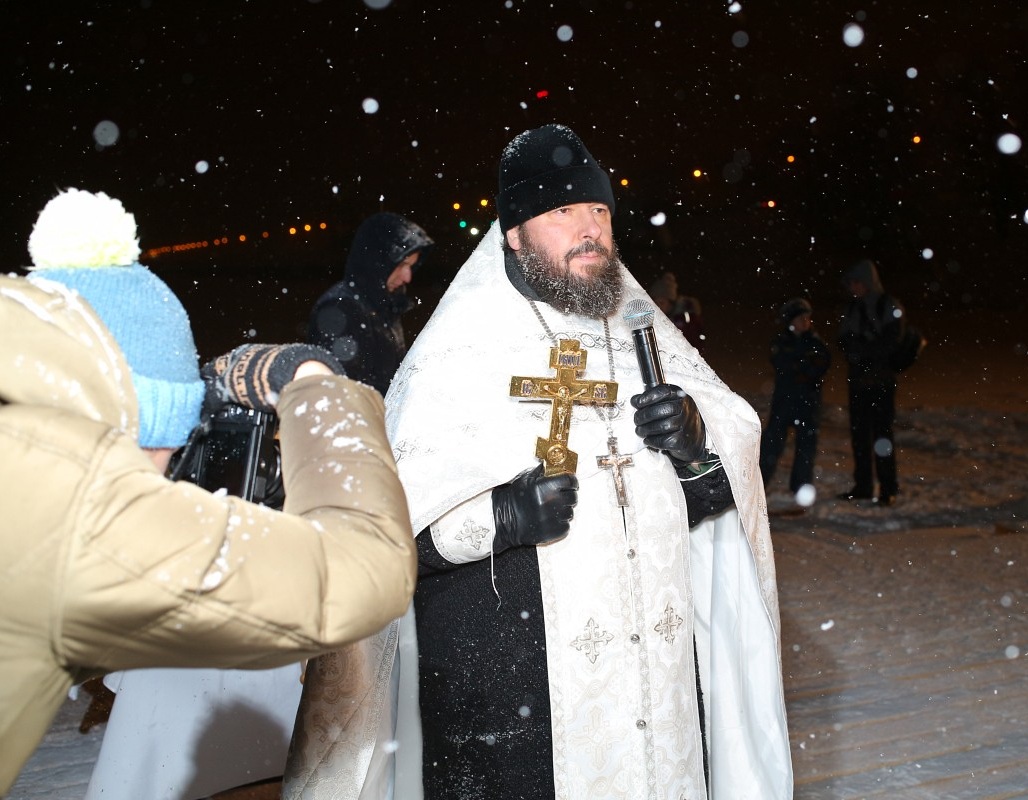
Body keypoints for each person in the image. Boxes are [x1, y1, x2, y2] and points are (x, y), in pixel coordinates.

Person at [285, 124, 792, 799]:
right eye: (562, 212)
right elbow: (383, 535)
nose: (589, 229)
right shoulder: (456, 357)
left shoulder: (645, 335)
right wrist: (499, 515)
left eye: (599, 211)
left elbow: (717, 509)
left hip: (658, 689)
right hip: (511, 710)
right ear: (515, 234)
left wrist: (699, 450)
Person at [0, 188, 417, 796]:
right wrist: (310, 382)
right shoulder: (80, 516)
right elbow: (366, 572)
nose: (163, 474)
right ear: (134, 425)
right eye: (167, 446)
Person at [307, 212, 434, 395]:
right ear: (377, 262)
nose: (408, 277)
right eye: (401, 265)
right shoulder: (339, 310)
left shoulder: (384, 303)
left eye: (411, 266)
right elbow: (342, 397)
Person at [836, 258, 905, 506]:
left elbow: (891, 341)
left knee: (882, 436)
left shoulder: (888, 306)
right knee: (860, 435)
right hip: (858, 381)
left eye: (856, 283)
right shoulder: (853, 309)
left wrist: (864, 351)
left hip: (881, 381)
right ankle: (863, 485)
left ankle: (888, 488)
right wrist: (859, 351)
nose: (852, 288)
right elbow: (843, 340)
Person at [758, 297, 832, 503]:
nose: (806, 322)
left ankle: (800, 487)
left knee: (806, 448)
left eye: (808, 318)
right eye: (801, 318)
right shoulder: (782, 341)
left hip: (808, 402)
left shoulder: (815, 342)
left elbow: (822, 363)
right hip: (785, 401)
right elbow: (783, 363)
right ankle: (758, 484)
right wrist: (802, 366)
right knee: (772, 444)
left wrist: (805, 368)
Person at [647, 270, 706, 353]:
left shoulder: (686, 318)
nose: (658, 306)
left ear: (670, 303)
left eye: (662, 302)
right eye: (655, 302)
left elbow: (695, 343)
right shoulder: (652, 317)